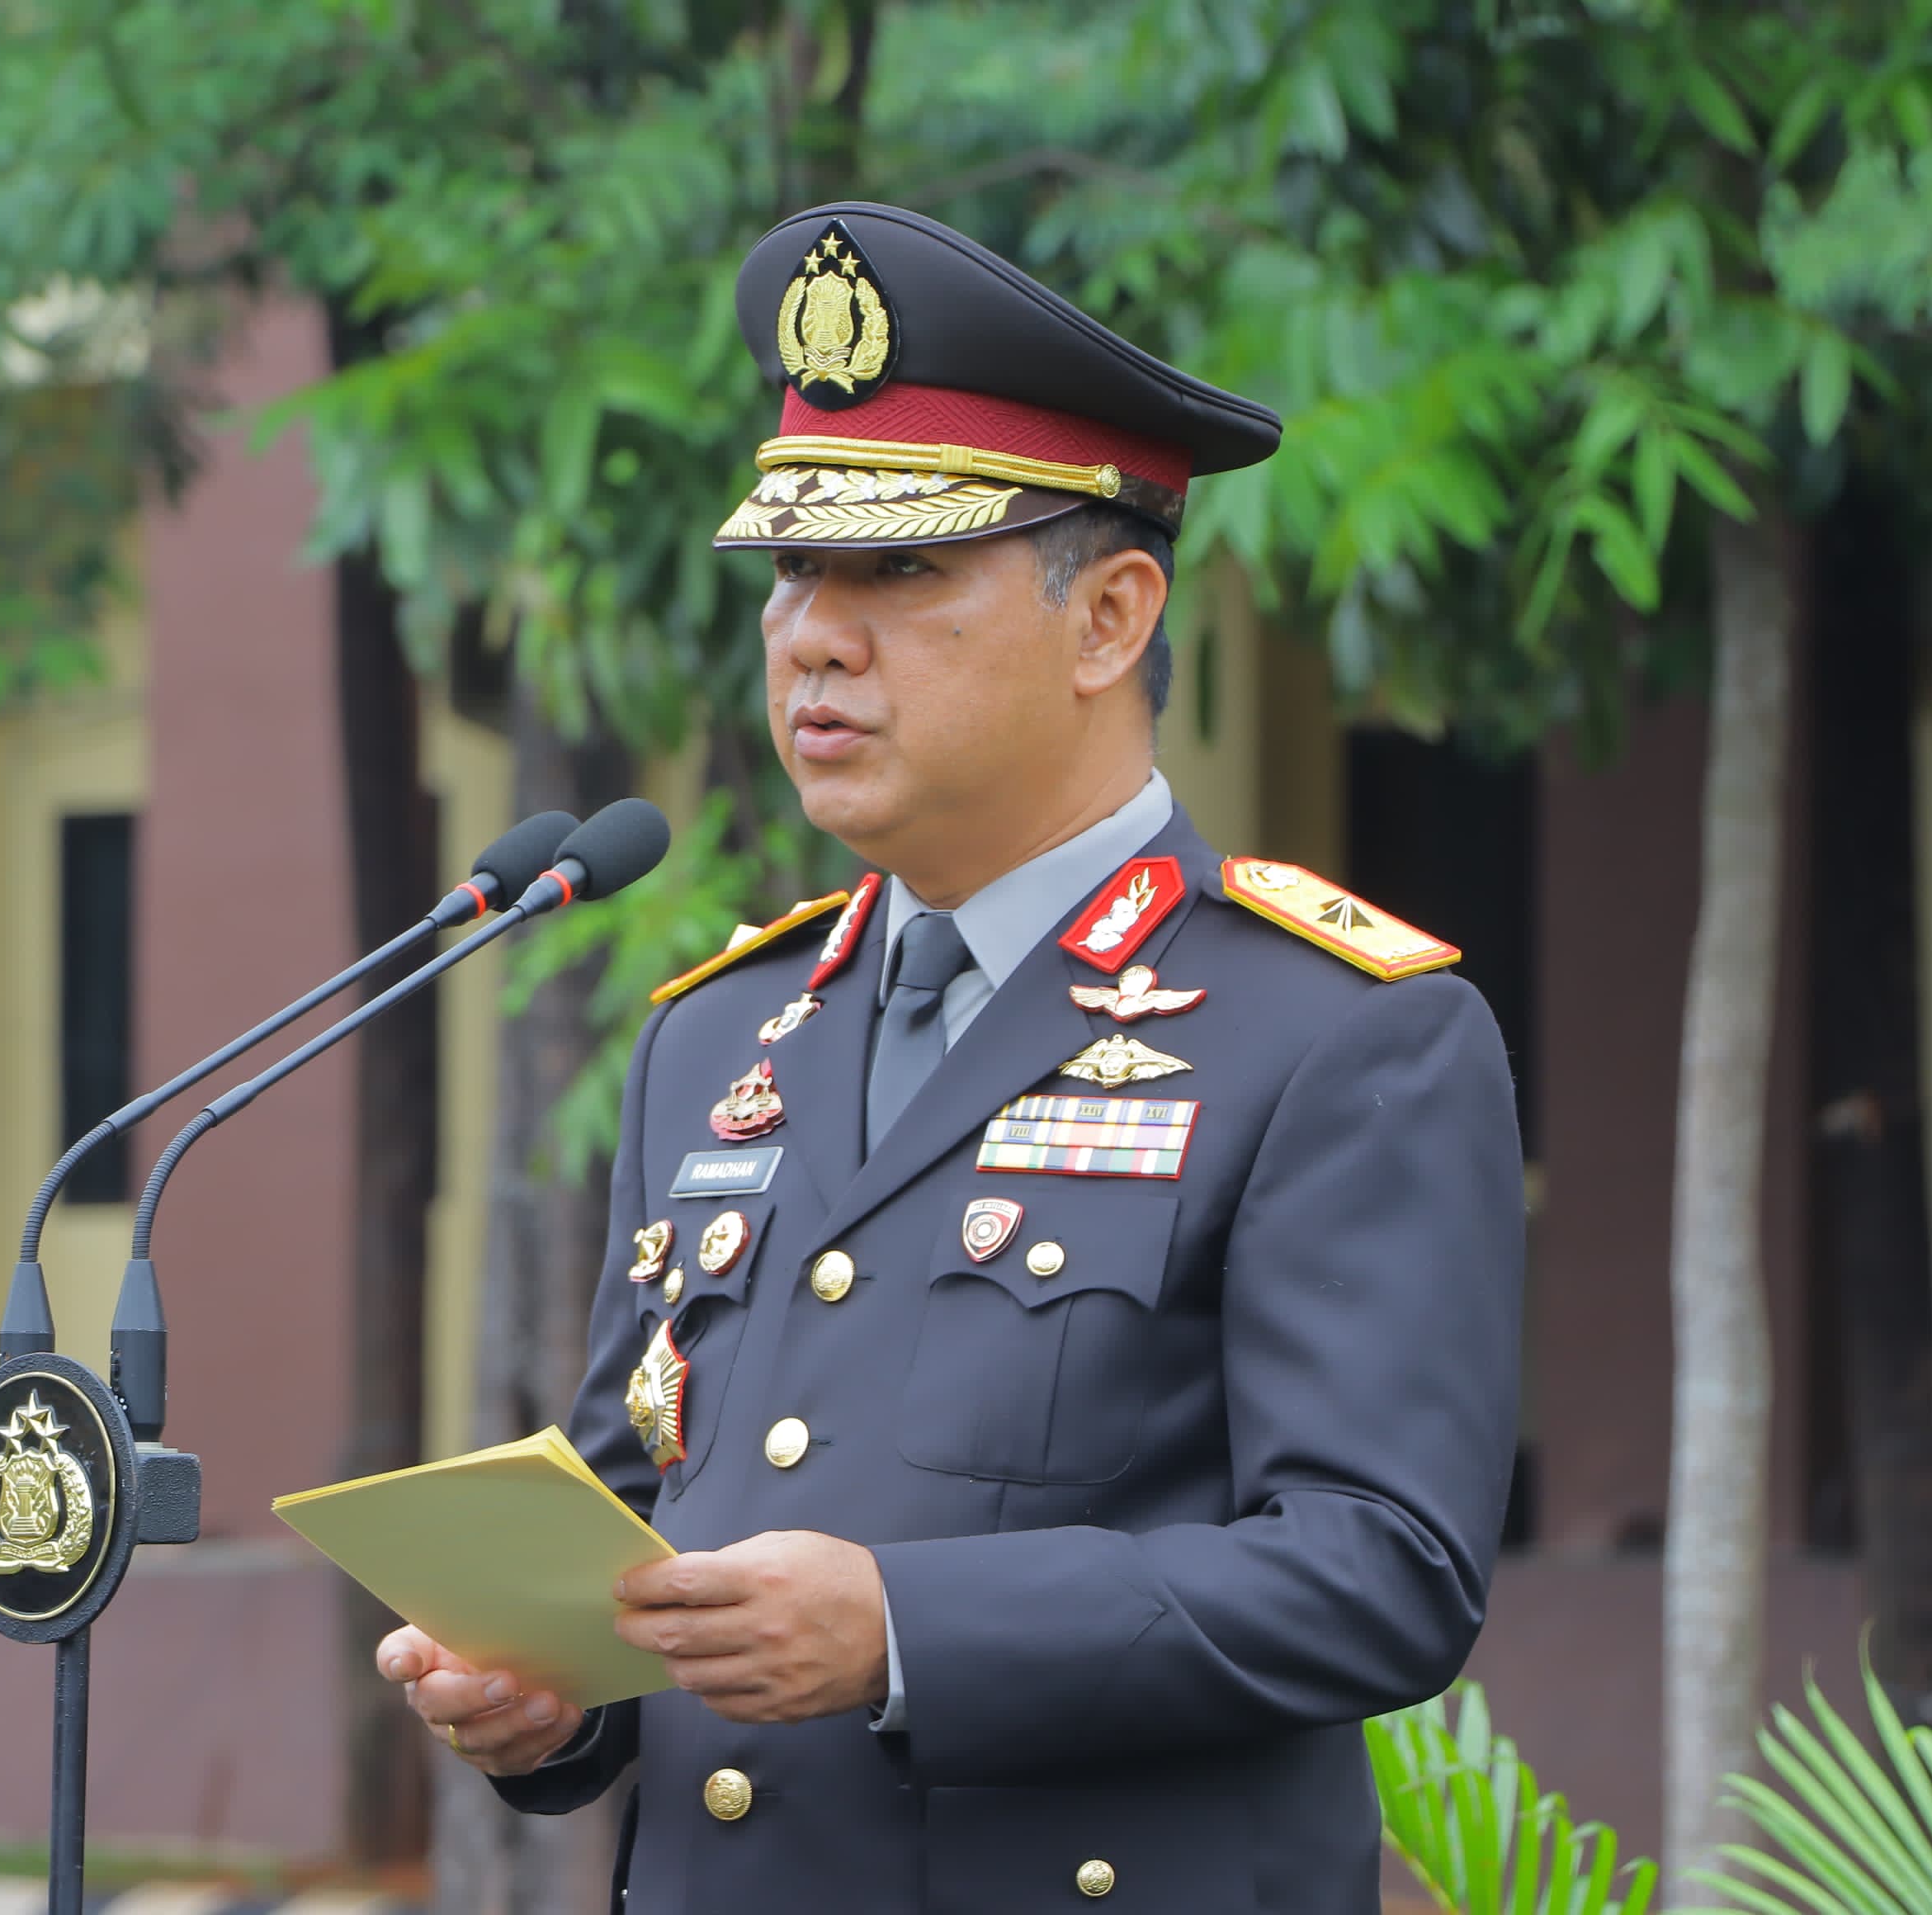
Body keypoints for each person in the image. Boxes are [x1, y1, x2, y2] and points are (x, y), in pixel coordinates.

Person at [376, 201, 1523, 1913]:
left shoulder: (1339, 1031)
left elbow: (1382, 1572)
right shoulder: (720, 1037)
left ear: (1110, 616)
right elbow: (636, 1518)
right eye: (792, 571)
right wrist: (544, 1695)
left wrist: (905, 1630)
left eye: (901, 571)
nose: (813, 636)